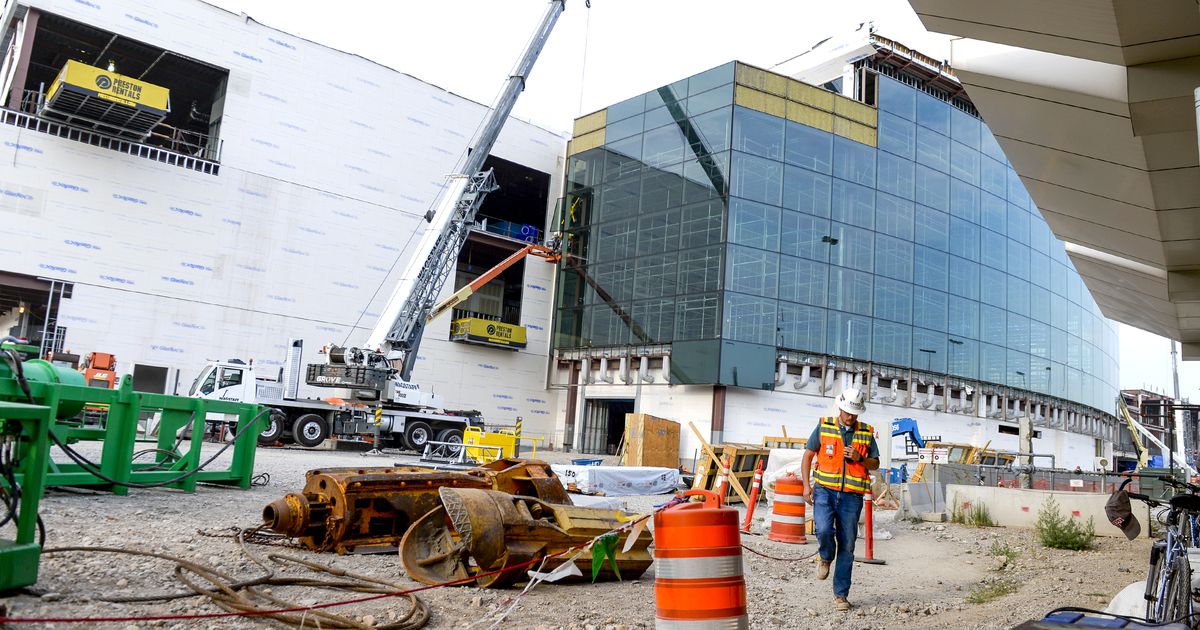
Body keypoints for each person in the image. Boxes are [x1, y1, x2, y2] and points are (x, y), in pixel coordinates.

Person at [801, 388, 880, 611]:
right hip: (825, 490)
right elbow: (808, 455)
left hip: (852, 496)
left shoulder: (866, 433)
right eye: (847, 412)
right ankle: (825, 557)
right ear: (840, 407)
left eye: (854, 413)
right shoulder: (824, 426)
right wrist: (807, 486)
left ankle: (840, 595)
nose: (850, 417)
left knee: (847, 544)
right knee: (824, 530)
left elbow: (875, 464)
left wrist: (860, 458)